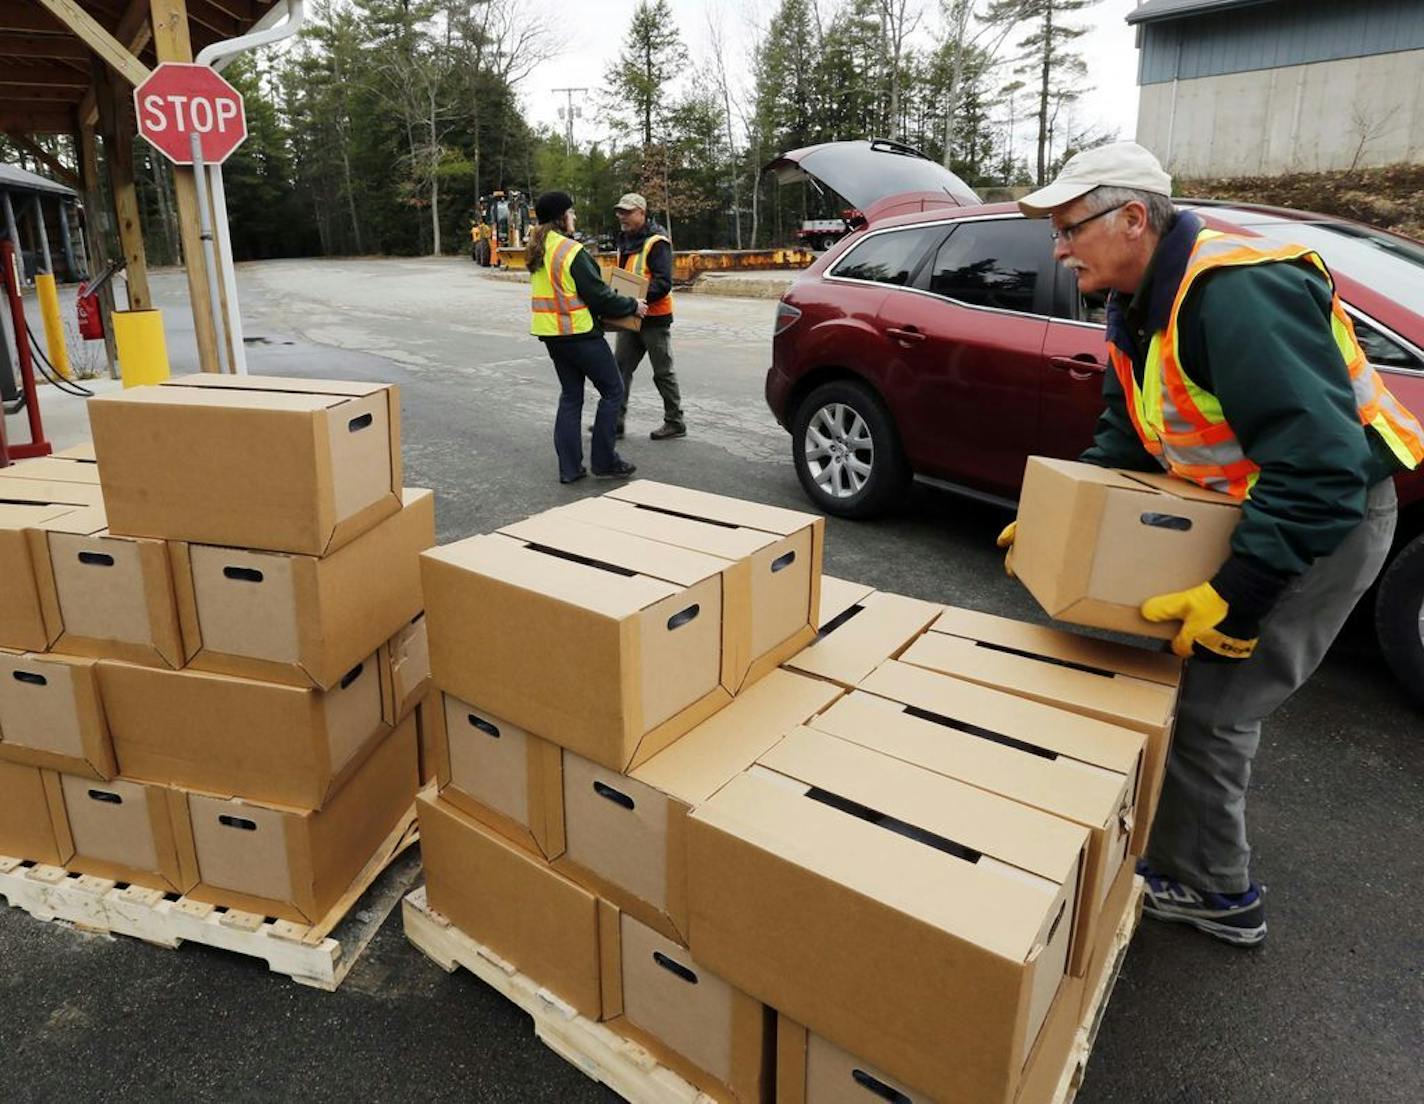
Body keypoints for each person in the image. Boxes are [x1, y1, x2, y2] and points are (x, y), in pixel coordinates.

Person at [999, 142, 1423, 946]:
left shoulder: (1236, 292)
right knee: (1176, 684)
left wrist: (1244, 593)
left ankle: (1214, 893)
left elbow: (1322, 466)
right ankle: (1176, 845)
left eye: (1068, 228)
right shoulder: (1138, 299)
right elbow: (1127, 432)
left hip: (1323, 521)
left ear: (1133, 219)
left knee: (1214, 706)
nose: (1058, 247)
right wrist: (1061, 514)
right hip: (1256, 506)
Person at [527, 190, 645, 483]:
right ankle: (604, 462)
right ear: (560, 217)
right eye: (571, 212)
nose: (574, 216)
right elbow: (600, 297)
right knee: (613, 391)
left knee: (571, 397)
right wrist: (633, 305)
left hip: (553, 335)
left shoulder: (539, 249)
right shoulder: (570, 251)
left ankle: (569, 469)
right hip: (580, 334)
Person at [605, 192, 685, 441]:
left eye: (627, 212)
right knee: (619, 370)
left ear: (642, 212)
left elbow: (663, 284)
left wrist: (636, 299)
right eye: (620, 211)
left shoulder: (656, 242)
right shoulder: (626, 240)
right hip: (631, 315)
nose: (622, 216)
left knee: (663, 372)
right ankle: (615, 422)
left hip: (654, 318)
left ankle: (675, 422)